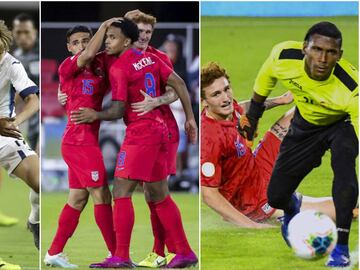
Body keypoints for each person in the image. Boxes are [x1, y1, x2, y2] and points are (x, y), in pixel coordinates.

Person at [70, 18, 198, 268]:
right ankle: (184, 252)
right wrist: (190, 118)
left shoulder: (119, 68)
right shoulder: (151, 58)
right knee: (160, 195)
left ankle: (120, 256)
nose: (108, 42)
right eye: (108, 37)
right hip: (163, 131)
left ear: (126, 41)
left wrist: (95, 115)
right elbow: (179, 84)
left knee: (120, 191)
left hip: (141, 134)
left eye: (112, 38)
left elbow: (118, 109)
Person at [238, 22, 358, 267]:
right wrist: (252, 119)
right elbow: (263, 83)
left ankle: (341, 248)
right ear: (305, 48)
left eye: (331, 52)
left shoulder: (351, 89)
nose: (323, 58)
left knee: (344, 164)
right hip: (304, 125)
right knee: (276, 196)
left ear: (339, 55)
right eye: (317, 49)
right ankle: (291, 205)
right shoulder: (283, 57)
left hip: (342, 124)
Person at [201, 62, 344, 228]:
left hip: (257, 165)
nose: (225, 98)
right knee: (341, 208)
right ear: (204, 101)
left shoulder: (225, 108)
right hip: (254, 200)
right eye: (216, 94)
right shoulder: (209, 139)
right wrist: (252, 225)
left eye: (226, 89)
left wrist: (279, 100)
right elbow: (208, 194)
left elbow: (241, 108)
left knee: (306, 108)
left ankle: (348, 101)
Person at [43, 19, 121, 268]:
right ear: (68, 48)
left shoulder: (101, 64)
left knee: (78, 198)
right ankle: (116, 254)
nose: (81, 46)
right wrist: (104, 25)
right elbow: (87, 56)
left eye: (85, 41)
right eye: (75, 43)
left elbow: (120, 53)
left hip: (84, 141)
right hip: (78, 142)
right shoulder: (67, 66)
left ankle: (54, 253)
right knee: (102, 193)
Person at [0, 19, 39, 258]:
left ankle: (35, 218)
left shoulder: (11, 64)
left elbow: (34, 101)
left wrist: (16, 121)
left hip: (5, 134)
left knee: (39, 182)